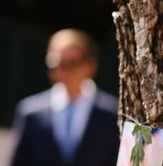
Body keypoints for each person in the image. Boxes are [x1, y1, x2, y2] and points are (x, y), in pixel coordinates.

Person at [9, 29, 120, 166]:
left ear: (90, 65)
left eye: (72, 63)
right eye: (57, 64)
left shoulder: (113, 113)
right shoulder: (30, 113)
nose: (64, 71)